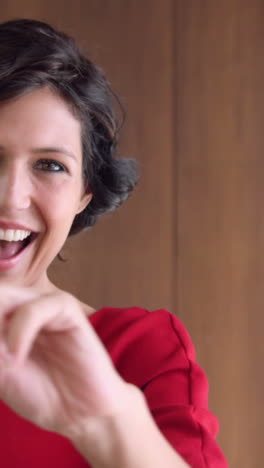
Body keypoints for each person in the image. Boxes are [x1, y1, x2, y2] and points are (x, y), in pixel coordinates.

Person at [0, 18, 228, 468]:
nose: (11, 197)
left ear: (85, 193)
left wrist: (105, 424)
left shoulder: (140, 350)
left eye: (50, 165)